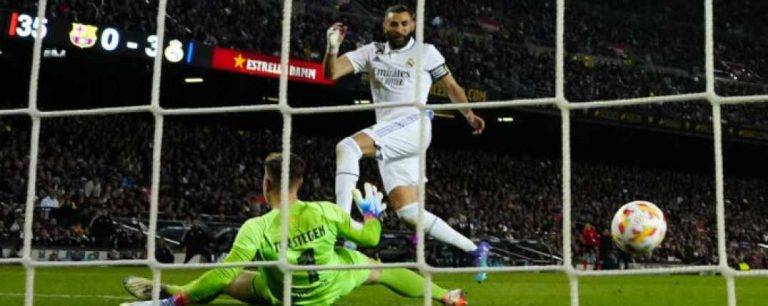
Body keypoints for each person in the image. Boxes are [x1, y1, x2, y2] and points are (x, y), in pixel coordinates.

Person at [120, 153, 466, 306]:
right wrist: (372, 213)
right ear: (300, 183)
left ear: (265, 182)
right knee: (380, 270)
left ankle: (176, 294)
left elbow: (223, 272)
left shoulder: (256, 227)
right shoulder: (327, 212)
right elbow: (373, 238)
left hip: (278, 294)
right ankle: (445, 297)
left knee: (228, 281)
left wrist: (177, 303)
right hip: (329, 286)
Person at [323, 4, 490, 282]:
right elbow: (332, 72)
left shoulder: (426, 52)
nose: (398, 29)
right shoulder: (371, 52)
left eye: (403, 24)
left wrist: (469, 114)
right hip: (389, 132)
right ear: (384, 26)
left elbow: (451, 86)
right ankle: (474, 249)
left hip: (413, 124)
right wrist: (332, 48)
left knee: (347, 147)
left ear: (412, 25)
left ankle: (343, 228)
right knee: (409, 212)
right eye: (393, 24)